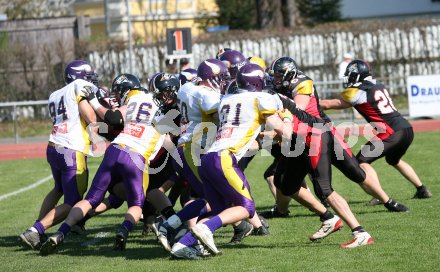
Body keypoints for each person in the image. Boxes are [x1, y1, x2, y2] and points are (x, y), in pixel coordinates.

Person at [170, 63, 294, 259]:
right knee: (247, 207)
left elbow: (248, 132)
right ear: (257, 82)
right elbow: (285, 133)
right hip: (223, 159)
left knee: (221, 209)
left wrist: (270, 136)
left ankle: (181, 245)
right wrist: (286, 116)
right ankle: (202, 230)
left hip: (208, 158)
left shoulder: (226, 99)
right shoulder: (261, 99)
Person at [39, 73, 166, 255]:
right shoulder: (165, 109)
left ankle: (61, 232)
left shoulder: (134, 100)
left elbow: (113, 119)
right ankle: (124, 230)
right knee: (136, 203)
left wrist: (95, 103)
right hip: (137, 156)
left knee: (89, 200)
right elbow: (167, 138)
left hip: (114, 150)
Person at [320, 59, 432, 201]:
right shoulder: (377, 84)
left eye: (351, 75)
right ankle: (421, 189)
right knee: (393, 160)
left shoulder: (359, 90)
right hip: (406, 128)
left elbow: (330, 104)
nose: (349, 78)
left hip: (391, 132)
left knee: (361, 161)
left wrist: (310, 102)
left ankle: (378, 195)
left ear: (357, 75)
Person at [19, 60, 99, 250]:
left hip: (54, 145)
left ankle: (41, 225)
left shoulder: (55, 94)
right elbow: (91, 117)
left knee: (58, 189)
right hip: (72, 149)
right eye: (88, 77)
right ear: (78, 77)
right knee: (74, 201)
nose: (91, 80)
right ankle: (36, 230)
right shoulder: (78, 86)